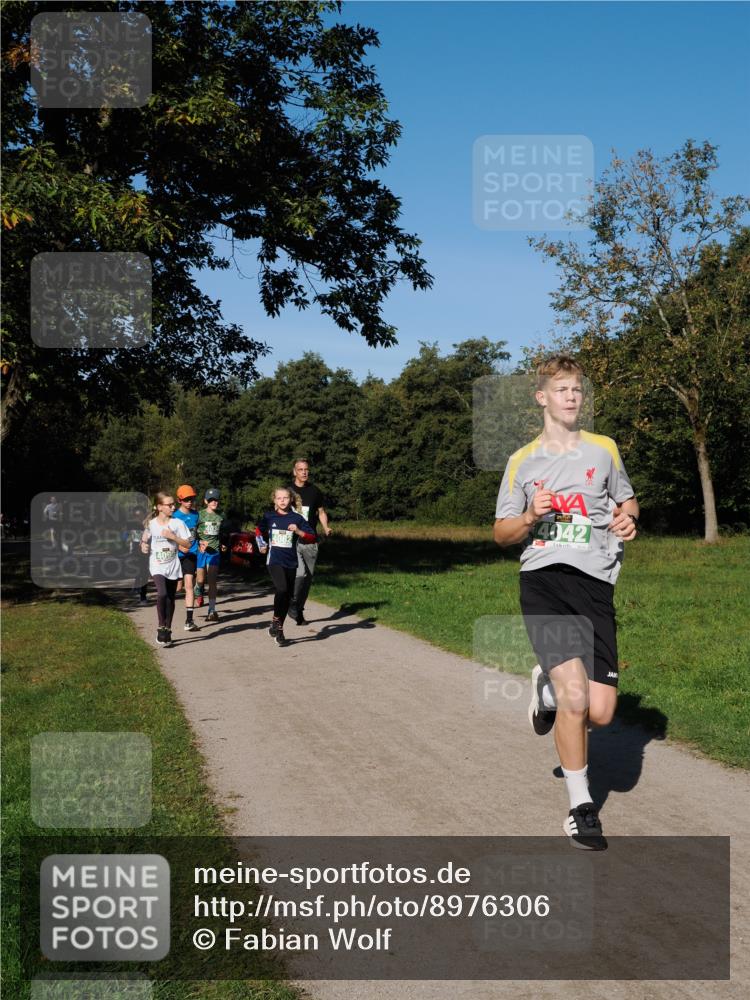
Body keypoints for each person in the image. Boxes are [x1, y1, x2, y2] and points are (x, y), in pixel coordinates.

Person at [493, 354, 639, 850]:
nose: (572, 397)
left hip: (596, 583)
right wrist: (531, 515)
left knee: (600, 712)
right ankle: (581, 809)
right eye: (561, 390)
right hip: (544, 581)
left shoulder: (604, 450)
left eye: (577, 389)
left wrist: (628, 519)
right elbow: (500, 533)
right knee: (577, 697)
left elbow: (627, 501)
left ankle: (546, 692)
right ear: (542, 397)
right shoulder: (521, 461)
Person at [255, 487, 317, 647]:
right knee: (281, 589)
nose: (282, 501)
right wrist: (261, 545)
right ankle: (277, 622)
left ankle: (278, 627)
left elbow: (311, 537)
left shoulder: (296, 518)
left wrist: (298, 531)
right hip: (274, 560)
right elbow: (258, 531)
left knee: (287, 597)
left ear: (291, 500)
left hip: (291, 562)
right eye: (279, 498)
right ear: (274, 500)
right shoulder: (269, 516)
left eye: (285, 498)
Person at [140, 493, 192, 647]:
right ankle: (160, 626)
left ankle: (167, 630)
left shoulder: (178, 523)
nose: (173, 507)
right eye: (169, 505)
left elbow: (187, 545)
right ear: (159, 507)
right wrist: (143, 546)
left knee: (170, 597)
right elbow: (144, 540)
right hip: (157, 565)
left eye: (173, 504)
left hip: (173, 565)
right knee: (161, 593)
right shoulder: (151, 524)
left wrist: (173, 537)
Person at [286, 458, 331, 626]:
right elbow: (279, 510)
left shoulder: (315, 491)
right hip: (292, 540)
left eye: (306, 469)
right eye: (300, 469)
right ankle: (292, 603)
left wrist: (326, 527)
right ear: (294, 472)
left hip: (310, 539)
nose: (304, 472)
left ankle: (298, 610)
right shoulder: (288, 490)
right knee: (300, 573)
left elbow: (321, 512)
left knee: (308, 579)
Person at [196, 488, 227, 622]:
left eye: (216, 500)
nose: (214, 502)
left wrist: (222, 544)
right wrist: (198, 543)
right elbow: (193, 533)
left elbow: (222, 533)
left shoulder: (221, 516)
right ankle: (199, 589)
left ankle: (212, 610)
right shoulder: (199, 515)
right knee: (201, 580)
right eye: (211, 500)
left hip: (214, 552)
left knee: (212, 581)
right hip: (201, 551)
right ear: (205, 501)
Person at [172, 484, 200, 631]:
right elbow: (168, 537)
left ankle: (189, 621)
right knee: (177, 587)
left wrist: (202, 543)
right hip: (176, 556)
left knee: (189, 586)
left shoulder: (196, 515)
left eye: (192, 499)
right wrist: (178, 546)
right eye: (186, 499)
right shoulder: (174, 516)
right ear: (179, 500)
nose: (190, 502)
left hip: (191, 554)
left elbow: (199, 533)